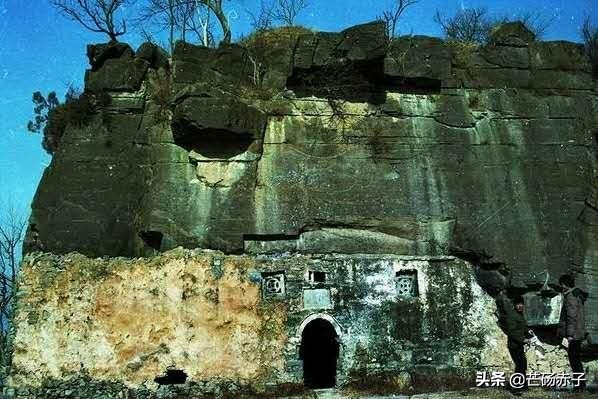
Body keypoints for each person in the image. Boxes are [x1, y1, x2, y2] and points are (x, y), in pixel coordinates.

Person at [558, 273, 588, 392]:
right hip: (579, 333)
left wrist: (569, 335)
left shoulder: (570, 296)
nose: (562, 287)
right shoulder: (578, 295)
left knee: (574, 361)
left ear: (565, 284)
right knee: (577, 360)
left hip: (574, 335)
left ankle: (578, 387)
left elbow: (571, 317)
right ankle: (581, 386)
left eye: (562, 285)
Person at [496, 292, 530, 395]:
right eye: (518, 304)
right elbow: (511, 332)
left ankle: (523, 385)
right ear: (515, 305)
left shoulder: (520, 315)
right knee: (520, 365)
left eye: (521, 304)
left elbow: (523, 328)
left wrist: (528, 332)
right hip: (514, 345)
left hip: (519, 345)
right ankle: (514, 388)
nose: (520, 306)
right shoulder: (511, 315)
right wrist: (523, 340)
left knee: (523, 364)